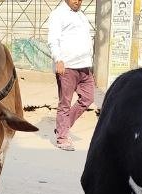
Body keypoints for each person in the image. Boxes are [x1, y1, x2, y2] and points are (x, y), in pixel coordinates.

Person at [46, 0, 93, 151]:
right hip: (67, 66)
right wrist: (58, 59)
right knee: (65, 103)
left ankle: (63, 127)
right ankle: (62, 138)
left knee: (88, 98)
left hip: (84, 66)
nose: (77, 1)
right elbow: (53, 39)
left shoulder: (81, 15)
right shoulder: (58, 14)